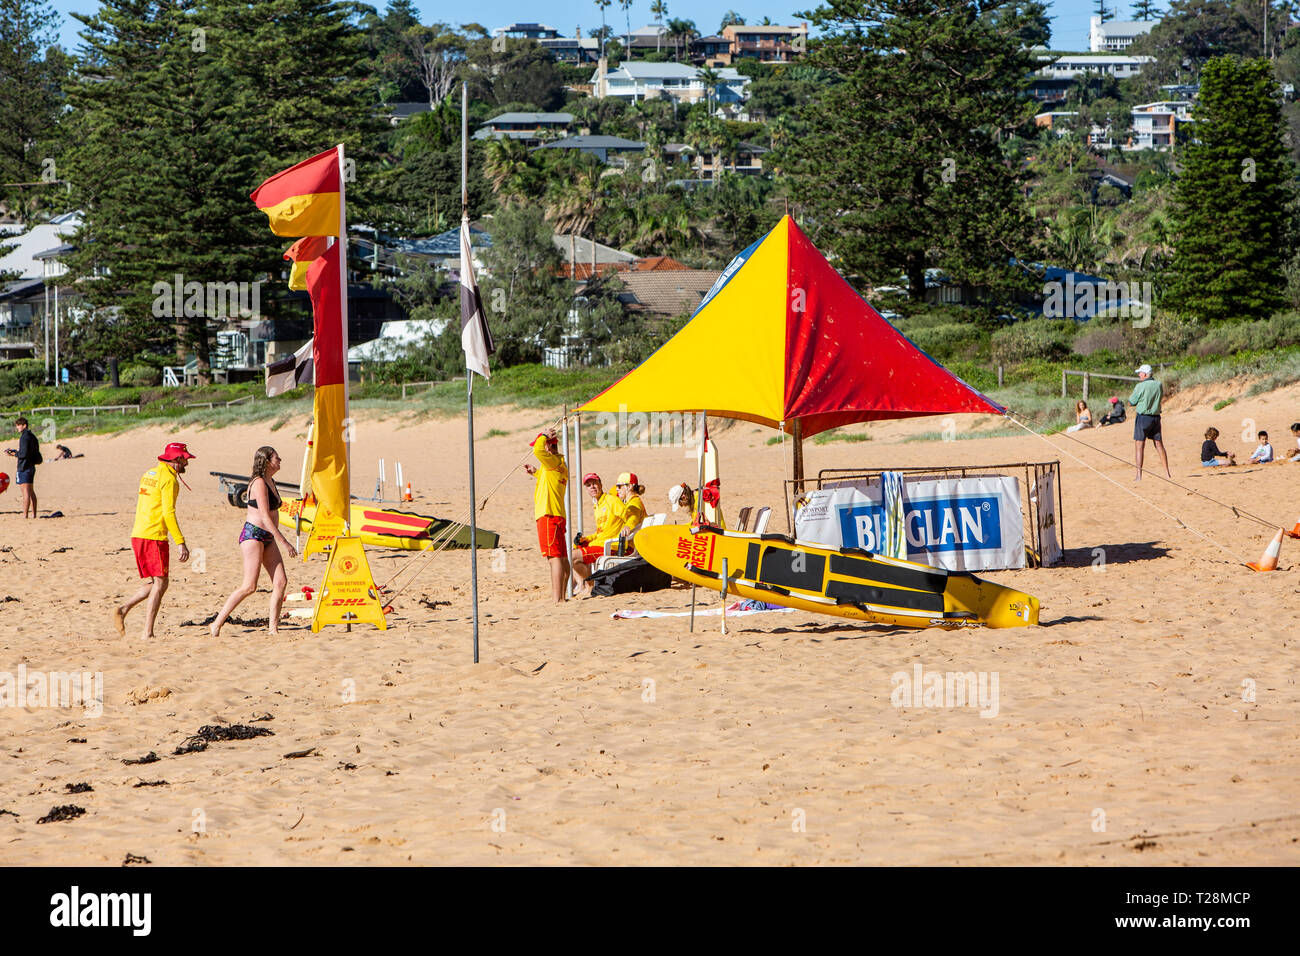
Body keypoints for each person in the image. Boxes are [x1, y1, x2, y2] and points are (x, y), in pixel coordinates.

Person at [210, 446, 298, 638]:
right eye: (277, 457)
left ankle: (273, 628)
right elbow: (265, 517)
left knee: (281, 581)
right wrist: (285, 542)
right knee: (249, 586)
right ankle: (216, 623)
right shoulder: (259, 483)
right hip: (254, 535)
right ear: (267, 461)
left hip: (268, 537)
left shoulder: (270, 481)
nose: (280, 460)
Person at [114, 442, 194, 639]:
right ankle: (147, 632)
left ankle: (123, 609)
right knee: (160, 583)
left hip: (138, 533)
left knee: (158, 582)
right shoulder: (170, 480)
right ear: (175, 460)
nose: (187, 463)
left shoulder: (149, 473)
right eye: (184, 459)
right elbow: (169, 512)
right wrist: (180, 541)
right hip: (154, 535)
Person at [523, 429, 569, 602]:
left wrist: (543, 435)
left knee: (554, 559)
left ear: (550, 447)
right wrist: (535, 472)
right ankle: (562, 596)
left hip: (548, 514)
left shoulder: (552, 461)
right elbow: (548, 476)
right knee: (562, 558)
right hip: (557, 514)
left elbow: (538, 450)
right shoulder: (559, 464)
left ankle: (558, 599)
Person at [570, 473, 624, 593]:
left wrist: (627, 530)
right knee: (573, 548)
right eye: (589, 485)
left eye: (594, 483)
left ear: (600, 484)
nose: (592, 487)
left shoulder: (612, 500)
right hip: (599, 542)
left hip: (610, 545)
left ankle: (590, 586)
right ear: (587, 489)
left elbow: (628, 517)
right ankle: (581, 584)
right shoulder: (598, 506)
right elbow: (600, 531)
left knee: (572, 557)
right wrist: (586, 539)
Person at [1128, 363, 1170, 481]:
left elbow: (1131, 401)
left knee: (1139, 446)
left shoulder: (1140, 386)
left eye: (1140, 373)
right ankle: (1167, 473)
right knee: (1159, 444)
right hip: (1156, 417)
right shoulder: (1158, 385)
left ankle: (1138, 475)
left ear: (1145, 374)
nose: (1139, 375)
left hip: (1143, 418)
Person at [6, 417, 41, 518]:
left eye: (18, 425)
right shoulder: (32, 436)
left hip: (24, 467)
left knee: (25, 493)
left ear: (24, 425)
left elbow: (23, 454)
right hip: (31, 466)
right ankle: (34, 514)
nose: (17, 427)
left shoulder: (24, 437)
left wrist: (14, 454)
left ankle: (25, 515)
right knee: (31, 492)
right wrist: (16, 452)